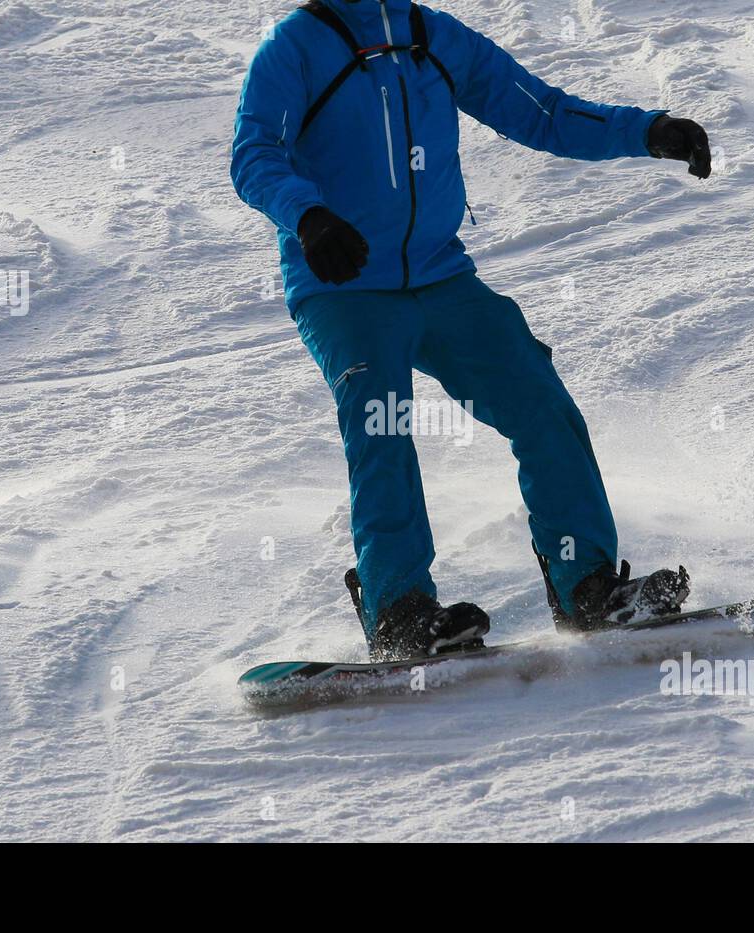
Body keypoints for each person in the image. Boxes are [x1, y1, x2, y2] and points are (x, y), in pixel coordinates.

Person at [231, 0, 709, 661]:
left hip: (439, 275)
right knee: (383, 420)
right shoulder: (294, 46)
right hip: (344, 285)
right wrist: (308, 216)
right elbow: (254, 153)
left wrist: (648, 131)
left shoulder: (431, 35)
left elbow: (537, 110)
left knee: (538, 399)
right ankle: (399, 611)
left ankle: (588, 588)